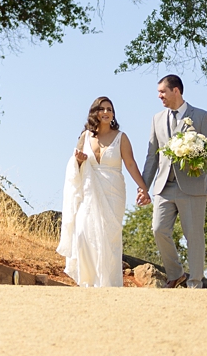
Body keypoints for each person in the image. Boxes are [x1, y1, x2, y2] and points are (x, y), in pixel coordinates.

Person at [56, 95, 152, 287]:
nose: (107, 112)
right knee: (83, 232)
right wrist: (80, 160)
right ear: (95, 113)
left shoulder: (121, 138)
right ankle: (88, 281)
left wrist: (143, 188)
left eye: (110, 109)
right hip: (88, 189)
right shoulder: (85, 136)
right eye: (103, 109)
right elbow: (76, 162)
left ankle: (107, 283)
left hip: (113, 191)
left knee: (108, 238)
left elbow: (131, 164)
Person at [138, 73, 207, 288]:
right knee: (158, 230)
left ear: (176, 90)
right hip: (163, 186)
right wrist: (144, 187)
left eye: (162, 92)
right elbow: (151, 156)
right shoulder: (156, 119)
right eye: (158, 93)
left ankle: (195, 283)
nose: (159, 96)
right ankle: (176, 274)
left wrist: (195, 157)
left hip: (193, 187)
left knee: (194, 237)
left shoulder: (201, 116)